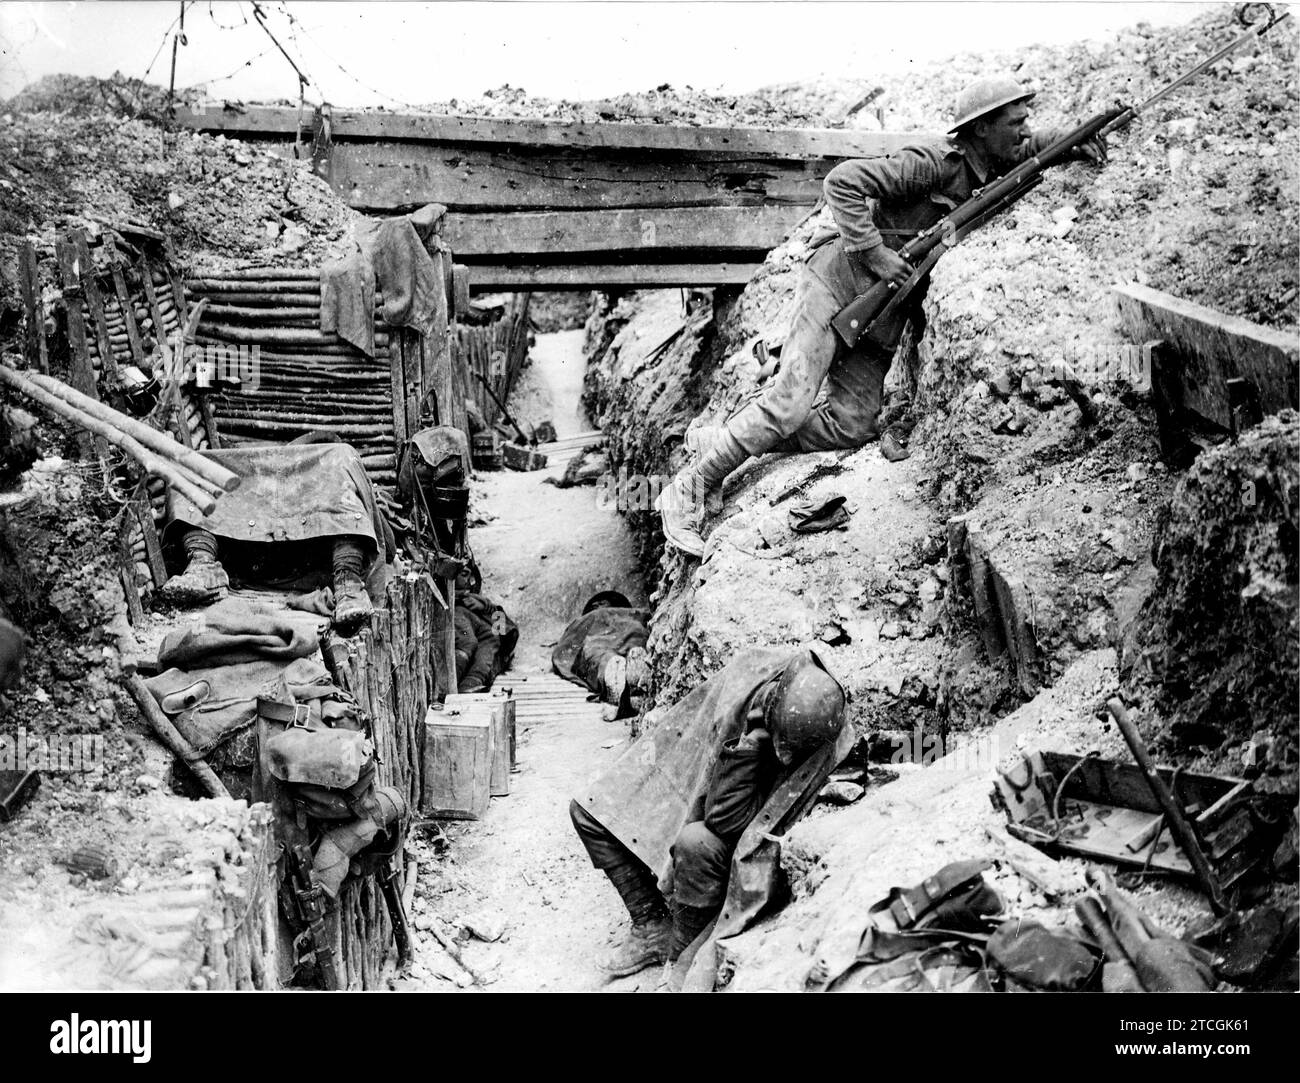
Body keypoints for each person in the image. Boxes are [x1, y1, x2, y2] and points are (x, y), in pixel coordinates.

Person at [657, 75, 1107, 556]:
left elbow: (1032, 148)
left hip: (878, 316)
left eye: (1025, 122)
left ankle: (725, 440)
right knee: (789, 403)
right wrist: (874, 253)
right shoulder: (930, 164)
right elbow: (841, 182)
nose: (1024, 130)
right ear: (981, 129)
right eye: (1015, 122)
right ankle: (687, 490)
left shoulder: (993, 161)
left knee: (852, 425)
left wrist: (1078, 135)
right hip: (838, 283)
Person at [569, 647, 851, 982]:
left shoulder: (819, 726)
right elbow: (692, 746)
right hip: (700, 780)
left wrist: (753, 745)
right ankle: (650, 923)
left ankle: (680, 943)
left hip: (736, 832)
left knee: (696, 843)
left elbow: (728, 822)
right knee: (588, 812)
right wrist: (749, 742)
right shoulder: (750, 678)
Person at [160, 435, 394, 629]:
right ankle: (203, 565)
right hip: (246, 557)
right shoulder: (264, 472)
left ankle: (348, 585)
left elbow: (387, 546)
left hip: (316, 561)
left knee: (341, 457)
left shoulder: (333, 461)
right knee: (190, 464)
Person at [550, 590, 650, 714]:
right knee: (602, 653)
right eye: (595, 605)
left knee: (598, 652)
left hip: (624, 632)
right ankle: (623, 673)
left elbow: (566, 649)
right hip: (610, 637)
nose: (598, 606)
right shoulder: (588, 619)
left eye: (602, 603)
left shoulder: (627, 614)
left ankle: (619, 671)